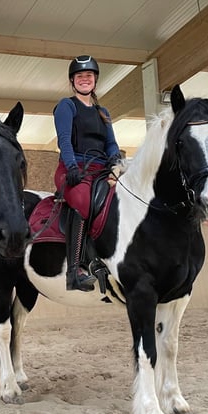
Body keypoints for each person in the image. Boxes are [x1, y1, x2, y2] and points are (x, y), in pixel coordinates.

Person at [54, 55, 121, 291]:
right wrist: (71, 167)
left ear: (95, 80)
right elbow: (64, 140)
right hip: (74, 169)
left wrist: (115, 160)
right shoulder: (67, 105)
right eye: (80, 76)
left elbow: (111, 143)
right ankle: (74, 271)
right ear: (73, 81)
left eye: (88, 76)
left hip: (101, 170)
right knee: (82, 201)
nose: (85, 80)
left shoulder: (103, 112)